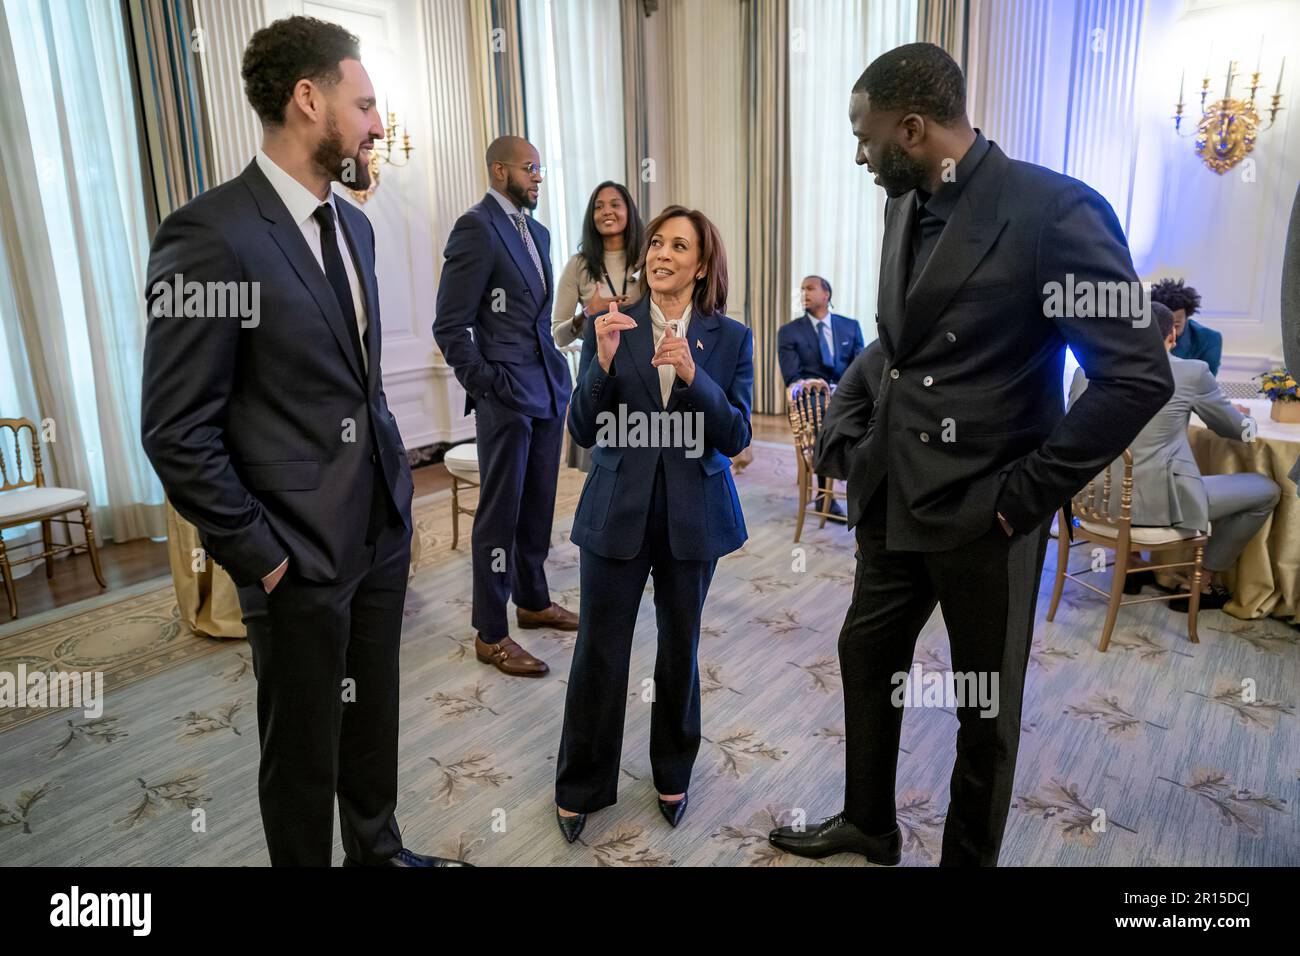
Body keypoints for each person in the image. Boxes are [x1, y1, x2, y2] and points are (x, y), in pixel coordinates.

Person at [769, 42, 1174, 867]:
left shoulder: (1054, 211)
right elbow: (895, 346)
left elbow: (1136, 376)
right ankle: (869, 824)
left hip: (987, 514)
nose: (857, 152)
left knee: (981, 708)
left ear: (912, 127)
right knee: (866, 655)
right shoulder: (901, 207)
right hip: (895, 501)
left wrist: (1022, 496)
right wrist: (853, 431)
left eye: (864, 132)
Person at [141, 16, 464, 866]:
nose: (377, 126)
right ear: (308, 99)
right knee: (300, 753)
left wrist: (395, 502)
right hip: (292, 557)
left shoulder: (352, 228)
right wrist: (262, 555)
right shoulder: (206, 236)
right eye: (364, 106)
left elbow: (356, 385)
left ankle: (379, 853)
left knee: (371, 720)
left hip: (377, 536)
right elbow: (176, 428)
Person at [554, 206, 753, 843]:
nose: (663, 253)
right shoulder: (614, 324)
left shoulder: (730, 338)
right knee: (600, 651)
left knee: (680, 650)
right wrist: (604, 362)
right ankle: (582, 782)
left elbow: (737, 435)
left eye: (680, 245)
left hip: (694, 513)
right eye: (657, 242)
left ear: (702, 265)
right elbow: (582, 430)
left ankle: (673, 770)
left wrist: (696, 379)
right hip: (618, 509)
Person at [433, 136, 578, 678]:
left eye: (541, 169)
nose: (539, 177)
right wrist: (488, 384)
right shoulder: (476, 227)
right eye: (530, 168)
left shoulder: (535, 230)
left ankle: (534, 602)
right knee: (500, 514)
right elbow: (450, 323)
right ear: (500, 170)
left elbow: (537, 318)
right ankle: (491, 633)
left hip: (547, 389)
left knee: (539, 503)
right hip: (506, 398)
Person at [1068, 302, 1279, 610]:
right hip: (1159, 507)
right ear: (1172, 336)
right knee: (1267, 491)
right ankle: (1201, 580)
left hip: (1091, 503)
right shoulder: (1190, 372)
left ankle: (1133, 565)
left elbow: (1071, 432)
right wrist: (1248, 418)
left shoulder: (1086, 370)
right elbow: (1236, 430)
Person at [551, 181, 647, 471]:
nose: (607, 211)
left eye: (615, 204)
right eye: (598, 206)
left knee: (646, 459)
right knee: (606, 466)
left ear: (628, 210)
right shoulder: (578, 266)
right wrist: (587, 315)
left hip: (645, 371)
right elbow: (557, 335)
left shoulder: (648, 256)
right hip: (601, 371)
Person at [778, 276, 865, 515]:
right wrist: (822, 390)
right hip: (811, 401)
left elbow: (861, 369)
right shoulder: (789, 332)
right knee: (827, 413)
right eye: (802, 289)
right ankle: (824, 495)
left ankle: (864, 476)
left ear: (826, 295)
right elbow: (792, 377)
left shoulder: (851, 326)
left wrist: (846, 391)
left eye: (810, 288)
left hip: (846, 395)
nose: (804, 292)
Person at [813, 339, 886, 483]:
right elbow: (887, 408)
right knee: (902, 457)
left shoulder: (884, 348)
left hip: (856, 433)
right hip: (839, 444)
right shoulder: (881, 353)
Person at [1152, 277, 1222, 376]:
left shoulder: (1209, 339)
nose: (1170, 330)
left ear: (1187, 317)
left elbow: (1206, 382)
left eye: (1176, 325)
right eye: (1163, 323)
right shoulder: (1144, 335)